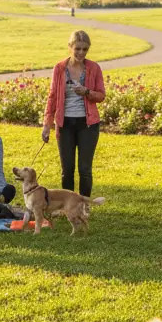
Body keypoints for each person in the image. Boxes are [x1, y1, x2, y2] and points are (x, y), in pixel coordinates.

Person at [42, 30, 106, 197]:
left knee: (85, 169)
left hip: (88, 125)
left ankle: (84, 206)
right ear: (70, 47)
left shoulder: (93, 68)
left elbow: (101, 95)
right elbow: (53, 97)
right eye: (77, 48)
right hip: (65, 125)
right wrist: (47, 126)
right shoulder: (60, 69)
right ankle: (68, 206)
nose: (81, 53)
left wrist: (86, 92)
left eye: (85, 49)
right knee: (67, 170)